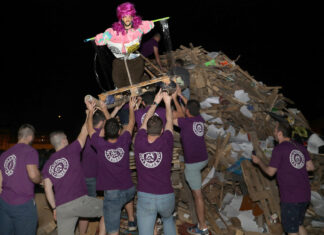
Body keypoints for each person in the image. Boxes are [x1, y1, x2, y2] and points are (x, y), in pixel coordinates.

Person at [42, 117, 105, 235]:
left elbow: (47, 188)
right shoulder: (72, 150)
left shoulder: (48, 164)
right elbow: (84, 130)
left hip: (61, 207)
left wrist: (54, 208)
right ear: (64, 140)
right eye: (66, 137)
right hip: (79, 201)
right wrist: (89, 114)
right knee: (110, 208)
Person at [86, 97, 138, 235]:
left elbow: (90, 129)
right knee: (114, 209)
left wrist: (90, 112)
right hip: (129, 190)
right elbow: (132, 123)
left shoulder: (100, 144)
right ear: (119, 131)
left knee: (113, 231)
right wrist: (131, 108)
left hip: (113, 195)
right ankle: (132, 221)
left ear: (104, 133)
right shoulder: (124, 139)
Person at [252, 122, 315, 235]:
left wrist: (259, 162)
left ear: (280, 133)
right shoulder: (299, 146)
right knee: (299, 225)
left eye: (275, 130)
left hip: (291, 197)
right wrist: (295, 168)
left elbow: (270, 173)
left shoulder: (279, 149)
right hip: (305, 195)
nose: (274, 133)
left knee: (291, 230)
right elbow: (311, 167)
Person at [134, 89, 176, 235]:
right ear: (162, 130)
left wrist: (155, 103)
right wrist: (168, 103)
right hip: (166, 196)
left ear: (145, 130)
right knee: (168, 219)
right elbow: (170, 121)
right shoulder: (167, 140)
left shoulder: (138, 141)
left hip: (145, 196)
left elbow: (143, 124)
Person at [95, 2, 155, 88]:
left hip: (135, 60)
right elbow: (100, 40)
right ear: (121, 18)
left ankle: (143, 80)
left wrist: (149, 24)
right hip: (120, 61)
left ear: (132, 16)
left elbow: (149, 24)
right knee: (119, 83)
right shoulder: (114, 32)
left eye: (129, 16)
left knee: (134, 83)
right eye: (124, 16)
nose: (127, 19)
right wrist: (103, 37)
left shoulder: (138, 28)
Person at [173, 97, 209, 235]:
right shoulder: (200, 119)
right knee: (196, 191)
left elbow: (177, 116)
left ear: (187, 110)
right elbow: (190, 108)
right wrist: (180, 95)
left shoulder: (185, 122)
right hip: (203, 159)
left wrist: (175, 100)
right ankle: (200, 223)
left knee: (197, 195)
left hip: (193, 164)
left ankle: (203, 227)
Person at [0, 124, 42, 235]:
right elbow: (33, 175)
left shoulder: (4, 154)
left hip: (4, 203)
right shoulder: (30, 151)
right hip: (23, 205)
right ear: (30, 137)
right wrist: (40, 179)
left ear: (19, 136)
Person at [79, 108, 107, 235]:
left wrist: (88, 114)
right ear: (101, 123)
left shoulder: (85, 132)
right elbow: (111, 125)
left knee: (85, 209)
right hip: (95, 178)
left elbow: (85, 126)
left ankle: (82, 233)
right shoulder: (98, 134)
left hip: (85, 176)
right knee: (109, 207)